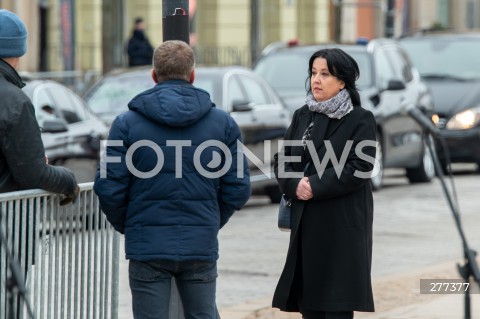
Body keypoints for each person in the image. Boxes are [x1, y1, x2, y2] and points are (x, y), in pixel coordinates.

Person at [94, 40, 251, 319]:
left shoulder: (124, 124)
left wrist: (130, 224)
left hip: (146, 244)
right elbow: (238, 188)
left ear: (153, 76)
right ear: (192, 75)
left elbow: (108, 186)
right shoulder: (223, 123)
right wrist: (211, 220)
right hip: (200, 242)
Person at [272, 48, 376, 319]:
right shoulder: (303, 116)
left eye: (325, 74)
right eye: (314, 73)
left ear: (342, 81)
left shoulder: (359, 119)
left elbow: (360, 166)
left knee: (337, 308)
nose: (316, 80)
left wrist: (314, 185)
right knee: (310, 307)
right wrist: (294, 184)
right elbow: (283, 160)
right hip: (307, 228)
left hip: (342, 230)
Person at [0, 9, 79, 199]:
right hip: (8, 220)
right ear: (18, 50)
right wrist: (69, 181)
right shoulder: (15, 101)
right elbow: (32, 174)